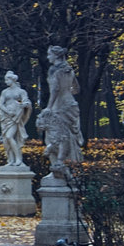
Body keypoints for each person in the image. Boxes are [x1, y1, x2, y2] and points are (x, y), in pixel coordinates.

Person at [36, 45, 83, 180]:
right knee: (69, 137)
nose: (48, 57)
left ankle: (59, 168)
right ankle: (70, 168)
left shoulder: (54, 70)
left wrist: (49, 107)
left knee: (54, 138)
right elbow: (77, 88)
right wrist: (68, 91)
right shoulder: (69, 69)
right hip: (71, 105)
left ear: (56, 56)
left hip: (59, 106)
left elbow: (55, 89)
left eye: (49, 54)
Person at [0, 71, 32, 167]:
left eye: (7, 79)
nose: (6, 82)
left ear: (12, 79)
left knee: (9, 136)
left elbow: (26, 101)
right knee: (6, 140)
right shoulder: (4, 92)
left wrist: (24, 105)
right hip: (6, 117)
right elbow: (0, 104)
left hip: (16, 117)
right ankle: (11, 160)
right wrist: (8, 112)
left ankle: (18, 158)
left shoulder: (21, 91)